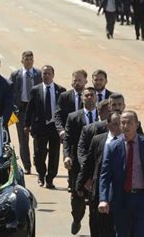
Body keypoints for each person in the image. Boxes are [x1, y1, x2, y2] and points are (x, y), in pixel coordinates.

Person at [98, 111, 144, 236]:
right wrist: (103, 199)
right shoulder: (112, 147)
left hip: (142, 198)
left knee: (142, 233)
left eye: (129, 122)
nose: (125, 126)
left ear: (137, 124)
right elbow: (105, 176)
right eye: (122, 123)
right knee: (122, 233)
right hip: (121, 199)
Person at [77, 111, 121, 237]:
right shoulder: (98, 140)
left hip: (120, 193)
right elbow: (89, 163)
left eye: (120, 124)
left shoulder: (128, 141)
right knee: (97, 225)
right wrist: (80, 183)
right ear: (108, 125)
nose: (118, 127)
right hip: (99, 191)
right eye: (115, 124)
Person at [63, 87, 98, 235]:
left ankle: (95, 229)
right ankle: (77, 219)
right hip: (78, 165)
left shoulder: (102, 118)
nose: (89, 97)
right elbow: (68, 139)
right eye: (86, 95)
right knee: (77, 198)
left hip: (96, 165)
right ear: (82, 98)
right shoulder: (73, 117)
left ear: (96, 98)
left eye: (92, 95)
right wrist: (67, 156)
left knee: (94, 200)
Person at [24, 65, 66, 189]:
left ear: (53, 75)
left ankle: (50, 179)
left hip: (55, 127)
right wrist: (27, 124)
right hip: (40, 127)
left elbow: (64, 110)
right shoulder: (35, 90)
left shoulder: (61, 90)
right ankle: (41, 175)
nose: (46, 76)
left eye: (48, 73)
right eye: (44, 73)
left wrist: (64, 127)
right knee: (39, 153)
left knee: (54, 154)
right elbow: (30, 108)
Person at [10, 51, 42, 175]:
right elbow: (10, 91)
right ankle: (27, 165)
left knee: (38, 139)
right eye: (26, 59)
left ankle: (37, 160)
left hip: (36, 110)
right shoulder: (16, 74)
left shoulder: (38, 74)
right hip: (22, 110)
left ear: (33, 61)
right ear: (22, 60)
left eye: (30, 59)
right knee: (23, 139)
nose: (28, 61)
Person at [55, 69, 88, 141]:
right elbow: (58, 115)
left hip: (86, 135)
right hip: (69, 135)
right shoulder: (64, 96)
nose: (77, 83)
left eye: (79, 80)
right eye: (75, 80)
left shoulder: (91, 96)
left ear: (86, 81)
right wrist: (61, 130)